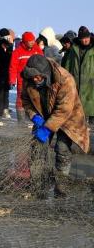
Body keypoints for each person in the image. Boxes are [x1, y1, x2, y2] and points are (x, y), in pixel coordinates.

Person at [21, 54, 90, 198]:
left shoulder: (65, 79)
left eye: (38, 77)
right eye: (32, 77)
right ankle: (38, 184)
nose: (35, 80)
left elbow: (64, 109)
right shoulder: (28, 79)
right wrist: (35, 117)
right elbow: (26, 101)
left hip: (68, 118)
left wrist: (48, 127)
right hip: (43, 115)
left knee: (62, 149)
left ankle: (61, 187)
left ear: (45, 73)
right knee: (36, 148)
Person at [9, 32, 43, 123]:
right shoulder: (17, 52)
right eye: (30, 41)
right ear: (24, 42)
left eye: (33, 40)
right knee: (21, 99)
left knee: (35, 98)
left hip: (35, 80)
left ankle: (33, 119)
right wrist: (12, 80)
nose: (32, 42)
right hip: (22, 81)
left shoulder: (37, 50)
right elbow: (13, 67)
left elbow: (43, 63)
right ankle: (21, 120)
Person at [63, 26, 94, 125]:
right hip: (76, 84)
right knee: (78, 113)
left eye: (87, 38)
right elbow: (68, 66)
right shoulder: (74, 50)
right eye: (83, 38)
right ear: (80, 39)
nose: (85, 40)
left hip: (91, 85)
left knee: (91, 108)